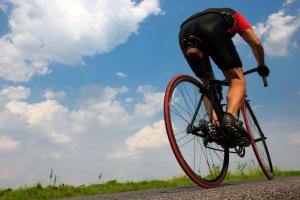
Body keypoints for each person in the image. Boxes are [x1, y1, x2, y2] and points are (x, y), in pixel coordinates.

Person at [179, 8, 270, 146]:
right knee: (236, 79)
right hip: (212, 24)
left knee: (207, 85)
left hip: (184, 32)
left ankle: (212, 124)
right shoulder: (235, 15)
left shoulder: (211, 13)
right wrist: (261, 65)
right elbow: (256, 44)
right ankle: (230, 118)